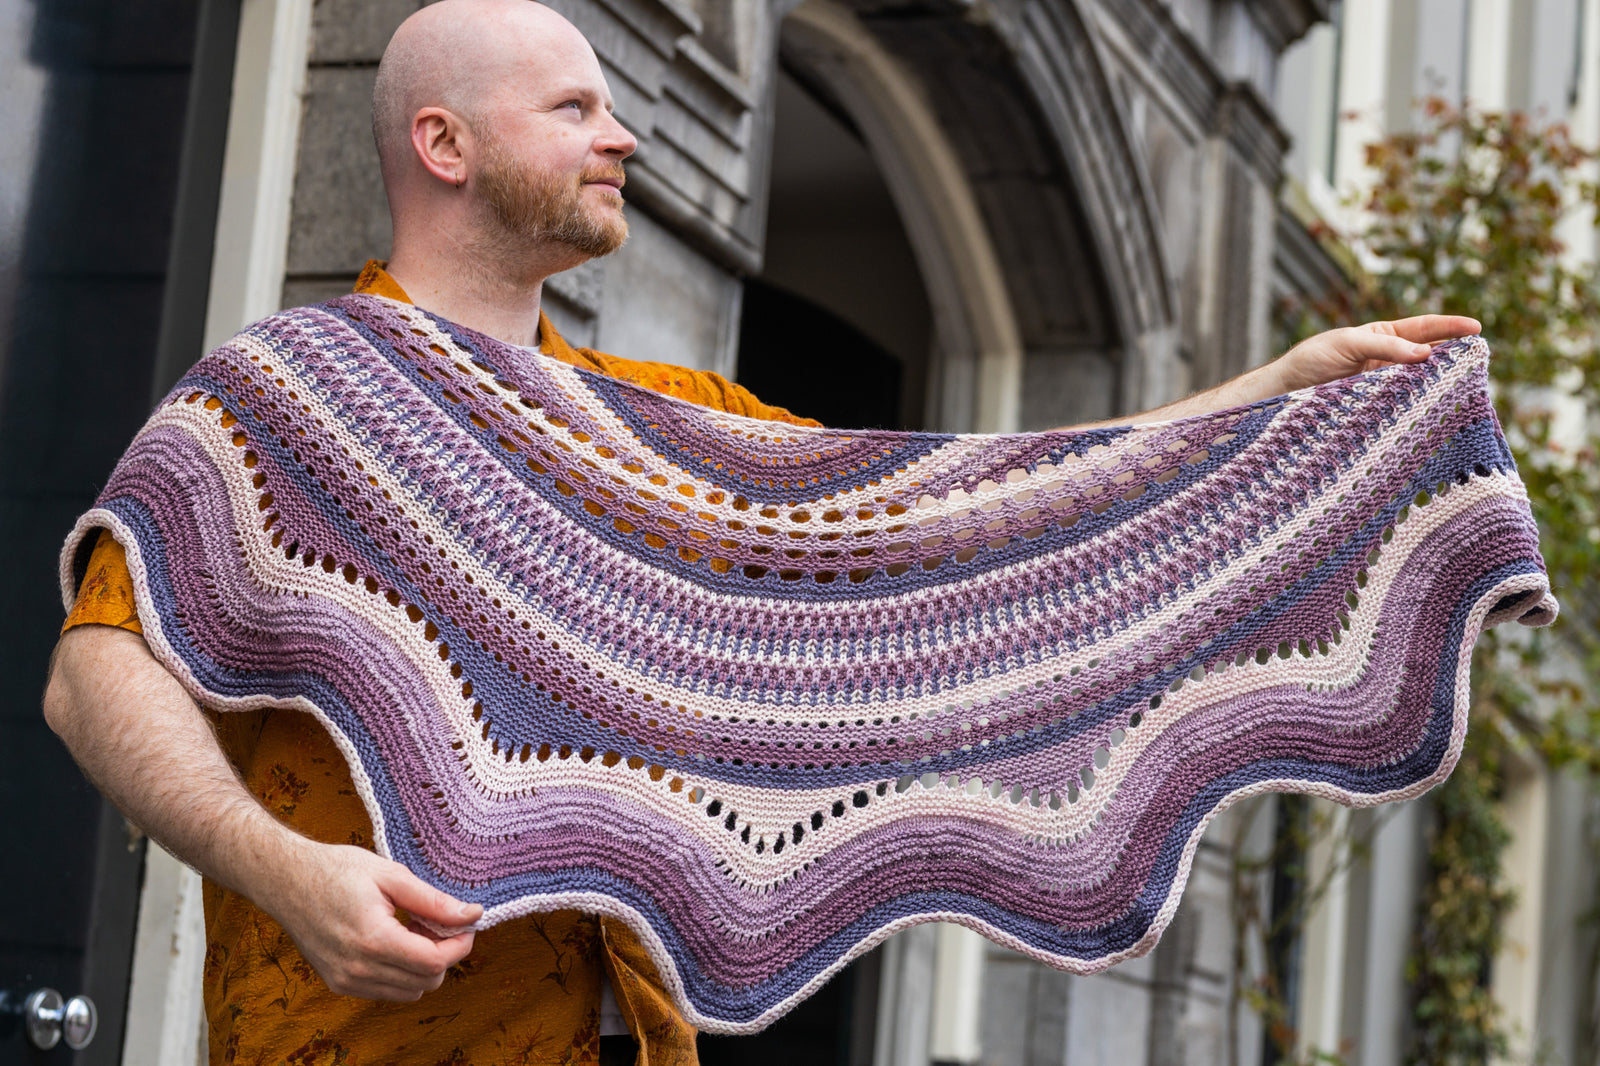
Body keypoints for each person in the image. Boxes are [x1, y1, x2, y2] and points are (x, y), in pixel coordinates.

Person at [42, 0, 1481, 1062]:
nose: (621, 135)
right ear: (445, 142)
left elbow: (982, 510)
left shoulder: (675, 427)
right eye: (572, 110)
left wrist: (1267, 401)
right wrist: (290, 872)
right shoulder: (290, 393)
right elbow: (94, 675)